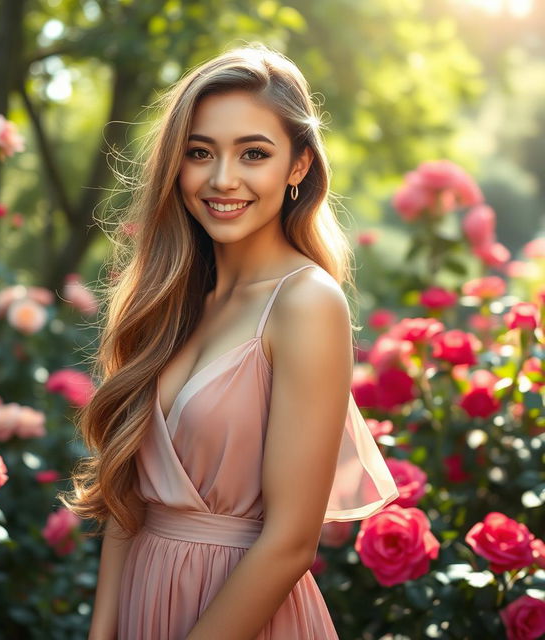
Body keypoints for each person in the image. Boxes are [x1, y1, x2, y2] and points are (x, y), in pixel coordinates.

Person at [61, 43, 399, 640]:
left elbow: (291, 543)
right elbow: (128, 496)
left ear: (298, 166)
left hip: (241, 616)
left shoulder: (305, 303)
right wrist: (102, 631)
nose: (223, 179)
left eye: (254, 153)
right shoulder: (171, 300)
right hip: (145, 599)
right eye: (200, 153)